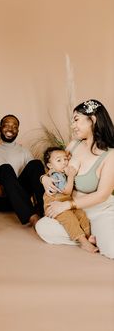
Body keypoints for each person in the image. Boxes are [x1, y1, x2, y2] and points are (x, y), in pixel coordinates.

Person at [36, 99, 114, 259]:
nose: (73, 126)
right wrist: (44, 178)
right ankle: (88, 236)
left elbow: (102, 195)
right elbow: (56, 166)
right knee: (43, 227)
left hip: (99, 211)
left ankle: (93, 235)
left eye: (76, 120)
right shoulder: (74, 145)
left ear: (92, 120)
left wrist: (67, 204)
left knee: (112, 248)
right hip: (74, 212)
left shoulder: (110, 155)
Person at [0, 114, 45, 225]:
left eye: (14, 126)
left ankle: (45, 211)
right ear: (0, 128)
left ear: (17, 130)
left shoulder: (24, 151)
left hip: (19, 200)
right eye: (6, 125)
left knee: (36, 164)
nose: (10, 129)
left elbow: (34, 178)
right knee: (5, 168)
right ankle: (31, 217)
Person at [43, 146, 98, 253]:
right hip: (54, 205)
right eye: (59, 160)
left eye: (65, 159)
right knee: (69, 218)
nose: (64, 162)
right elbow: (67, 191)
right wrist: (71, 176)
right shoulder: (56, 175)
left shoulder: (61, 173)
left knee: (81, 214)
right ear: (50, 166)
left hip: (65, 203)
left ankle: (88, 235)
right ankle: (83, 242)